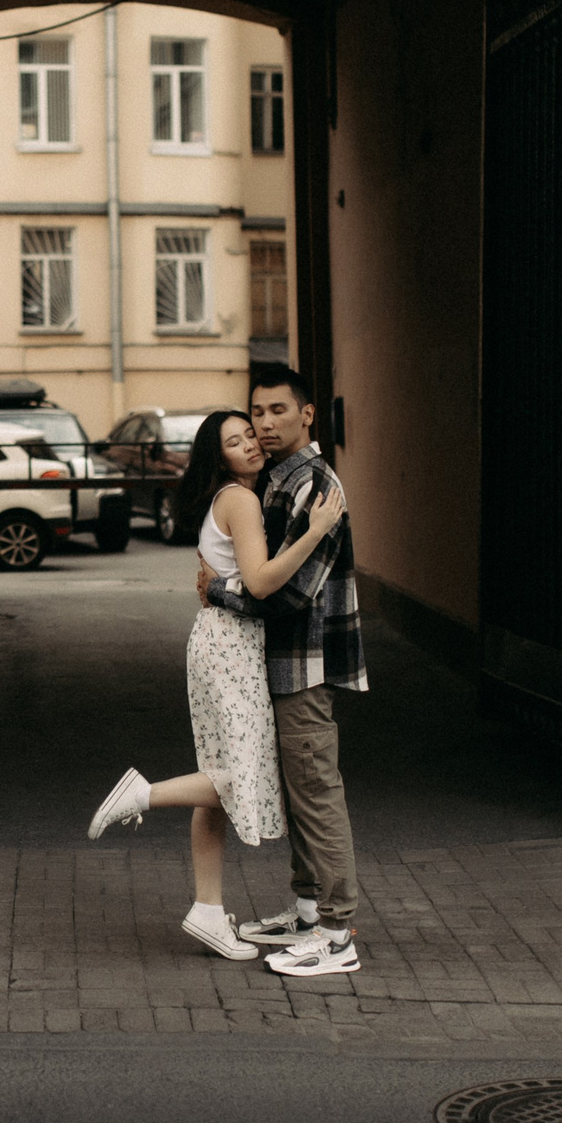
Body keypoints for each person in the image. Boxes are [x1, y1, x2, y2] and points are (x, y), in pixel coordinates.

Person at [84, 405, 346, 961]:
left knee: (218, 776)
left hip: (215, 638)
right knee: (236, 774)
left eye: (250, 434)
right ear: (217, 456)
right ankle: (143, 793)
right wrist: (316, 532)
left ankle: (207, 911)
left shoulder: (228, 497)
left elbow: (233, 578)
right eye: (235, 441)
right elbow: (263, 581)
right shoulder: (242, 499)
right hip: (232, 645)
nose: (251, 444)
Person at [202, 363, 366, 979]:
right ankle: (304, 912)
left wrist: (220, 591)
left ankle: (336, 931)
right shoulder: (275, 479)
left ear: (307, 414)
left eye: (277, 411)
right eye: (257, 413)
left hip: (304, 666)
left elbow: (289, 593)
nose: (265, 424)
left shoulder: (315, 484)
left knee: (318, 793)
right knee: (301, 793)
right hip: (277, 663)